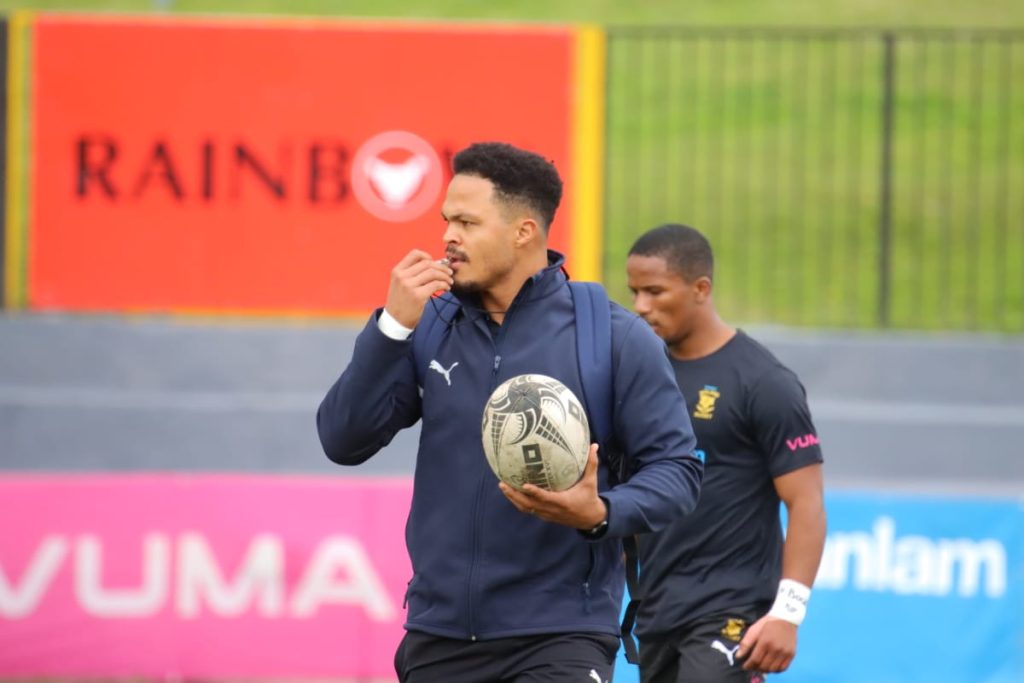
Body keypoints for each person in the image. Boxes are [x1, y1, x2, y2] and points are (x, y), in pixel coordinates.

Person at [317, 143, 703, 683]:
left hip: (560, 637)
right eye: (447, 220)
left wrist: (600, 512)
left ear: (524, 231)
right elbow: (343, 440)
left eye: (467, 222)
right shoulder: (428, 324)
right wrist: (391, 328)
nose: (448, 237)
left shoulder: (614, 337)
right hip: (440, 634)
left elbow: (678, 472)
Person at [625, 224, 827, 683]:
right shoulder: (642, 374)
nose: (641, 306)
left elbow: (807, 502)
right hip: (657, 612)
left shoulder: (764, 381)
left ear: (701, 289)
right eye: (634, 292)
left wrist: (788, 613)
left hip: (732, 613)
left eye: (655, 291)